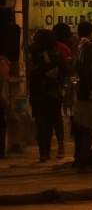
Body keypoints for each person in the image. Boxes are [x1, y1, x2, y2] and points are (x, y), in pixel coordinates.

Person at [28, 29, 68, 163]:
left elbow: (33, 73)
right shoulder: (56, 53)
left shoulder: (35, 51)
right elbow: (65, 70)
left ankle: (43, 152)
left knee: (42, 123)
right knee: (54, 121)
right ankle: (58, 148)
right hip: (54, 92)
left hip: (38, 93)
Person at [72, 21, 92, 173]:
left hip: (79, 88)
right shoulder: (89, 46)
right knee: (89, 127)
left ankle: (78, 159)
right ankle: (83, 162)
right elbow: (89, 68)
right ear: (91, 31)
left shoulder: (79, 45)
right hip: (86, 90)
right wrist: (91, 89)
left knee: (80, 126)